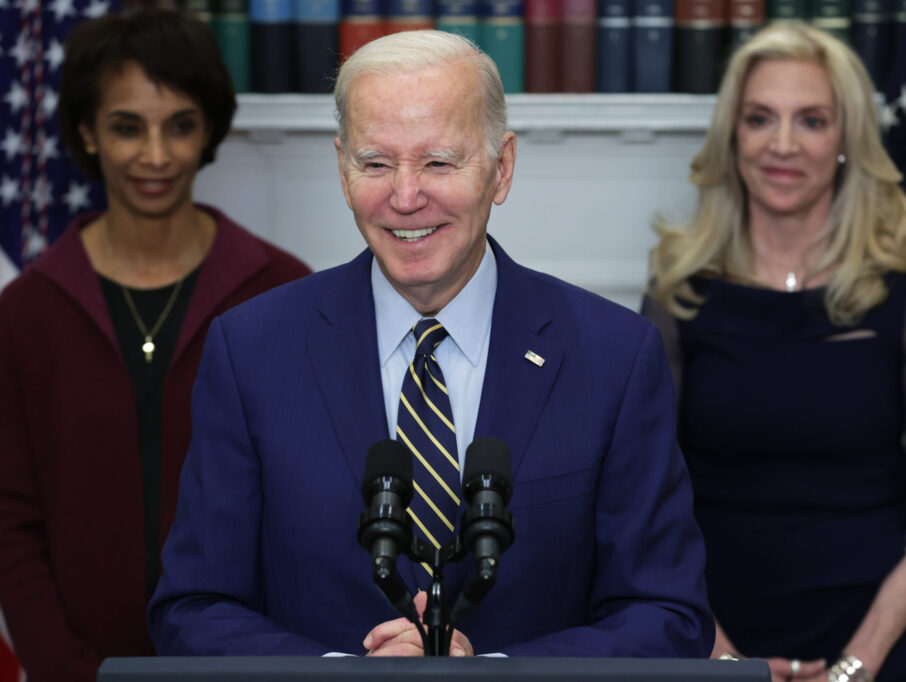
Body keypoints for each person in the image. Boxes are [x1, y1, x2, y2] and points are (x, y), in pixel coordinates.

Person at [147, 29, 713, 658]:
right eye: (376, 163)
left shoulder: (614, 357)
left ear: (502, 169)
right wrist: (341, 676)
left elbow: (667, 615)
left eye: (439, 162)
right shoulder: (250, 351)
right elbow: (193, 609)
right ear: (342, 169)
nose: (406, 196)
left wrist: (492, 674)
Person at [643, 22, 906, 682]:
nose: (782, 145)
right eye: (760, 118)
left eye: (812, 121)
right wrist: (728, 662)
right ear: (733, 136)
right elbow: (647, 506)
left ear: (847, 140)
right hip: (710, 635)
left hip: (879, 642)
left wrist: (854, 667)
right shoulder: (678, 293)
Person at [0, 9, 310, 682]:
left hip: (247, 667)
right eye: (126, 127)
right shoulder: (26, 310)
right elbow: (11, 519)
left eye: (180, 125)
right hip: (74, 671)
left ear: (209, 132)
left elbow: (307, 506)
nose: (157, 156)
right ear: (87, 132)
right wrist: (62, 668)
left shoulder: (283, 293)